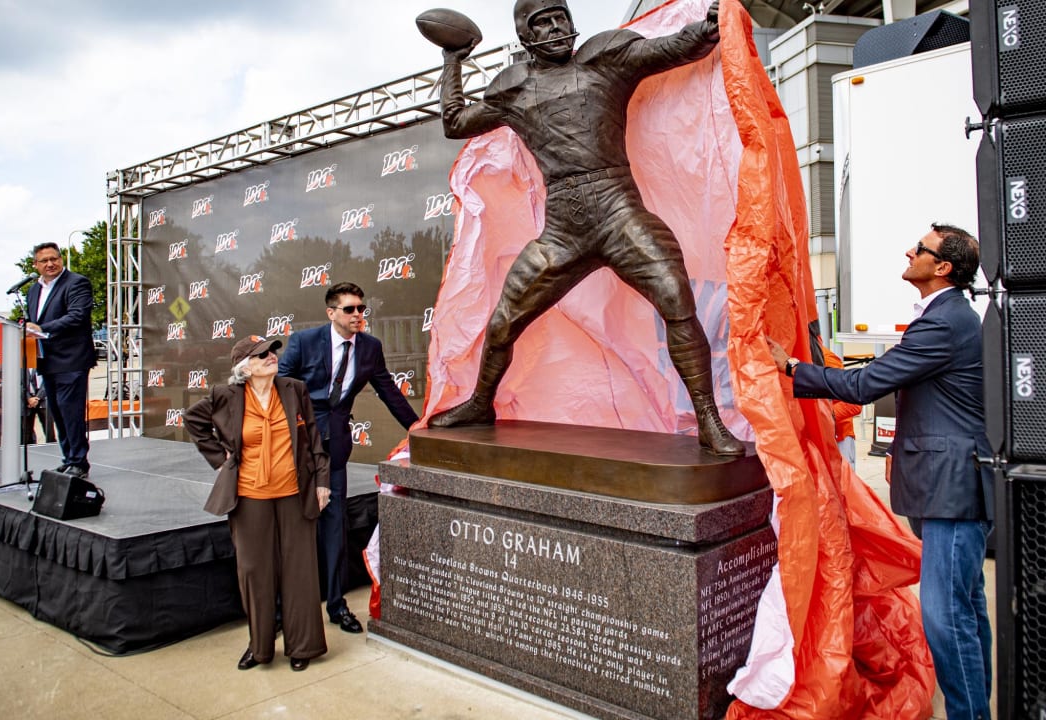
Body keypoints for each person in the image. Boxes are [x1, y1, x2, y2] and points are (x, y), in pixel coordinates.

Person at [426, 0, 743, 457]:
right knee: (502, 324)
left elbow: (670, 49)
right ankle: (480, 402)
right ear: (525, 36)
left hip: (618, 211)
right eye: (543, 22)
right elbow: (455, 122)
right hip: (562, 229)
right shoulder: (515, 89)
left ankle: (708, 419)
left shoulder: (604, 60)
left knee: (676, 299)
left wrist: (707, 29)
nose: (556, 27)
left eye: (561, 18)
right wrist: (453, 60)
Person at [767, 223, 995, 719]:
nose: (908, 251)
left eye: (921, 248)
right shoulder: (950, 318)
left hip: (953, 489)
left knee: (946, 617)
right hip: (950, 484)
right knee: (967, 606)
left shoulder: (944, 323)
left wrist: (790, 369)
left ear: (942, 268)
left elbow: (868, 384)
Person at [277, 282, 419, 634]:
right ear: (332, 313)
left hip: (337, 443)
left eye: (361, 309)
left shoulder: (370, 347)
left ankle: (337, 606)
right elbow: (280, 383)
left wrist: (419, 428)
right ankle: (283, 608)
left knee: (335, 528)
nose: (358, 315)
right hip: (296, 442)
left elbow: (388, 390)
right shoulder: (304, 341)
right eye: (350, 309)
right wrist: (298, 424)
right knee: (291, 526)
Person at [184, 335, 331, 671]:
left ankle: (302, 647)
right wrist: (221, 459)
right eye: (261, 354)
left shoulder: (294, 389)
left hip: (295, 493)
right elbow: (194, 421)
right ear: (244, 367)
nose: (270, 357)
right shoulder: (226, 396)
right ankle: (260, 647)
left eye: (271, 352)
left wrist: (322, 481)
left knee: (300, 572)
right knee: (254, 572)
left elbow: (314, 440)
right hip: (250, 497)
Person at [24, 242, 96, 477]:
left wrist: (40, 328)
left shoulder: (76, 282)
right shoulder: (33, 290)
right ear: (35, 265)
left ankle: (79, 461)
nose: (50, 264)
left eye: (54, 258)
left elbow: (77, 316)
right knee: (57, 411)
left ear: (61, 259)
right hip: (48, 359)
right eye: (44, 261)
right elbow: (33, 320)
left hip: (71, 359)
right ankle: (68, 457)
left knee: (71, 410)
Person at [23, 368, 56, 445]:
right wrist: (28, 398)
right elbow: (20, 384)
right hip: (28, 402)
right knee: (27, 431)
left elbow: (48, 381)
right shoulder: (22, 366)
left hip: (43, 400)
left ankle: (51, 448)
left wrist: (37, 397)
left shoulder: (42, 364)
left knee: (48, 429)